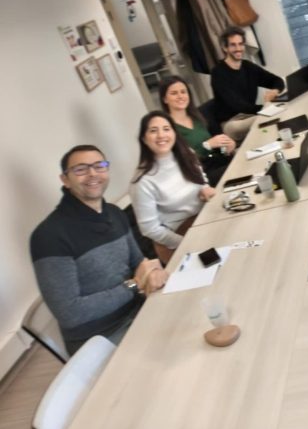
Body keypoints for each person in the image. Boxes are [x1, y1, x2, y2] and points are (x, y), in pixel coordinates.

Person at [30, 145, 168, 354]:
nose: (93, 174)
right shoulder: (49, 236)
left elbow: (137, 261)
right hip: (101, 337)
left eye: (99, 166)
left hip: (139, 310)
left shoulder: (114, 213)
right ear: (65, 179)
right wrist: (132, 286)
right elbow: (70, 312)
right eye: (81, 169)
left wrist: (153, 271)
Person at [130, 111, 215, 264]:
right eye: (153, 130)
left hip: (204, 220)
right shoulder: (142, 181)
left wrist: (204, 189)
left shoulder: (187, 154)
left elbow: (202, 180)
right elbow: (149, 229)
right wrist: (185, 242)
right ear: (144, 139)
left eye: (166, 129)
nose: (161, 135)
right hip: (176, 237)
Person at [210, 26, 285, 141]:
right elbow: (238, 105)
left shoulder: (248, 67)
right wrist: (266, 108)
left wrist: (275, 91)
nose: (238, 48)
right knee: (269, 118)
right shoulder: (218, 73)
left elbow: (277, 80)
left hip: (251, 115)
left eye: (241, 44)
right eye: (233, 45)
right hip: (231, 123)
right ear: (225, 48)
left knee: (270, 117)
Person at [159, 75, 235, 186]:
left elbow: (215, 150)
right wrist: (206, 145)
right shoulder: (167, 128)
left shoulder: (197, 117)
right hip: (201, 174)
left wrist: (226, 149)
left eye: (183, 92)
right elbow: (182, 161)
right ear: (165, 99)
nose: (180, 96)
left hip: (218, 162)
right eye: (174, 93)